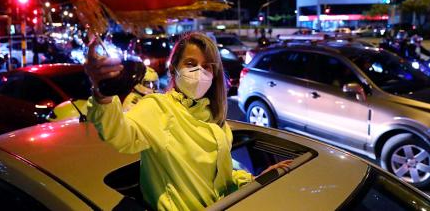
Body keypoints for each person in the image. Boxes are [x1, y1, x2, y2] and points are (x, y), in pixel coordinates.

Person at [85, 32, 291, 210]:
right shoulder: (160, 107)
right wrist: (103, 93)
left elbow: (220, 179)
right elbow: (120, 135)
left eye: (206, 66)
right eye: (190, 64)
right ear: (175, 67)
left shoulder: (215, 118)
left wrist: (254, 179)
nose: (199, 72)